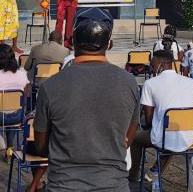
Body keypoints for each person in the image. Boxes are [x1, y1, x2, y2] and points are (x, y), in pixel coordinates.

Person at [33, 18, 139, 191]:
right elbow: (128, 138)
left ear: (73, 44)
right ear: (109, 45)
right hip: (113, 183)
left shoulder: (50, 86)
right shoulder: (129, 83)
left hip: (64, 184)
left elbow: (40, 145)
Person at [129, 50, 193, 182]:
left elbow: (149, 120)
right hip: (191, 136)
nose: (151, 69)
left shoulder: (150, 83)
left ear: (161, 64)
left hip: (166, 136)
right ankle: (154, 171)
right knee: (171, 132)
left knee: (135, 138)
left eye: (153, 66)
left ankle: (133, 175)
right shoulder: (190, 82)